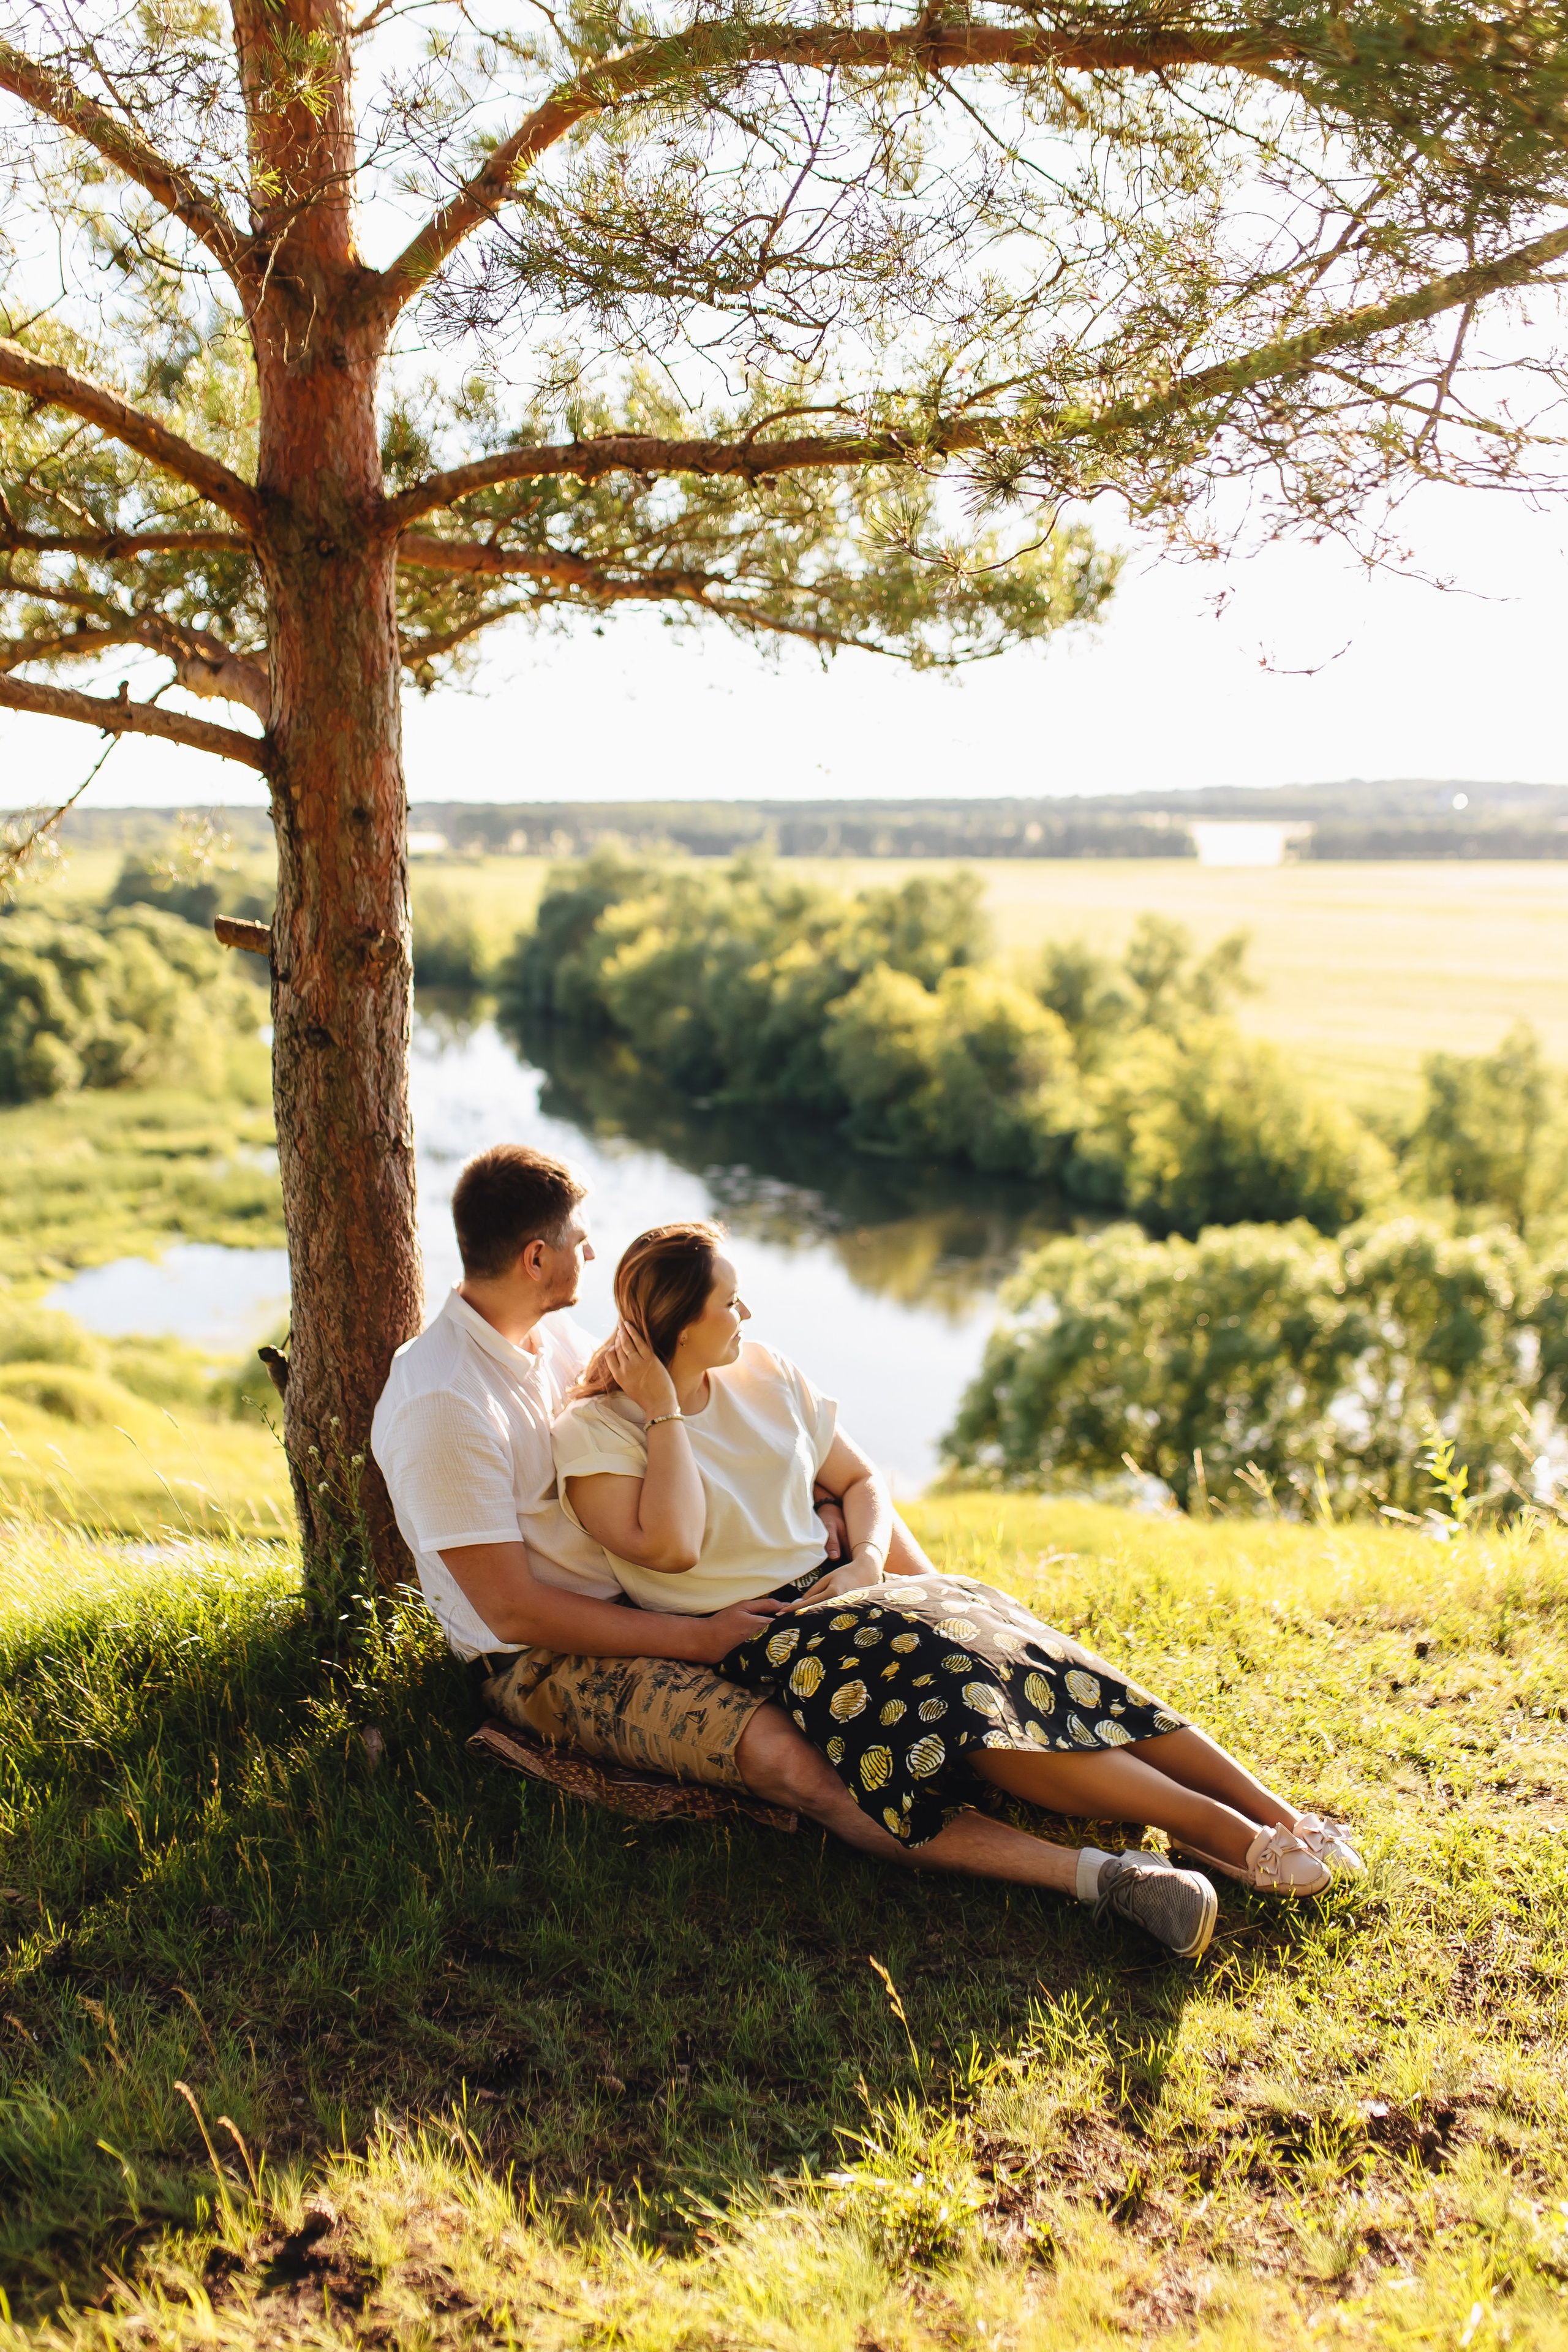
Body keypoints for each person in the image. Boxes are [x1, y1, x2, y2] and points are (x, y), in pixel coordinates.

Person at [554, 1220, 1367, 1962]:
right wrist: (664, 1414)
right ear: (682, 1322)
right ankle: (1219, 1832)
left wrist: (868, 1559)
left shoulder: (764, 1372)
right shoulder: (597, 1433)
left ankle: (1278, 1814)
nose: (750, 1314)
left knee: (1038, 1657)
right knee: (972, 1701)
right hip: (772, 1635)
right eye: (732, 1303)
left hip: (856, 1587)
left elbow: (862, 1478)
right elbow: (673, 1544)